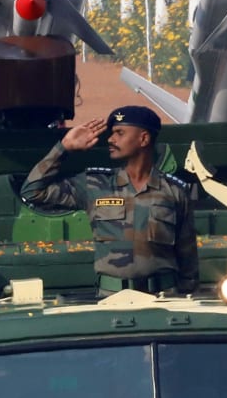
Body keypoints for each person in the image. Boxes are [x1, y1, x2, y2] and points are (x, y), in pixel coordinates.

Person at [20, 105, 197, 296]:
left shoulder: (174, 191)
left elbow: (187, 255)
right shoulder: (95, 185)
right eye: (112, 133)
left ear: (143, 138)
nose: (111, 140)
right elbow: (31, 192)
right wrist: (63, 148)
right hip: (112, 298)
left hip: (163, 298)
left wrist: (188, 298)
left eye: (119, 133)